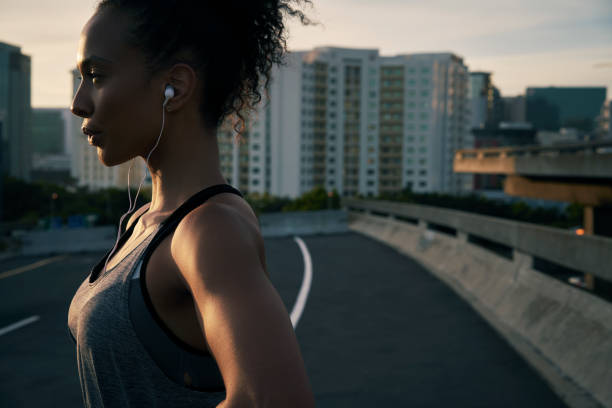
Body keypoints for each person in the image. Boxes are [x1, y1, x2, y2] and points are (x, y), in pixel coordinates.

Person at [67, 1, 316, 407]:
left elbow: (272, 400)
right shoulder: (141, 221)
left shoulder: (208, 230)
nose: (79, 102)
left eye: (96, 76)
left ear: (175, 87)